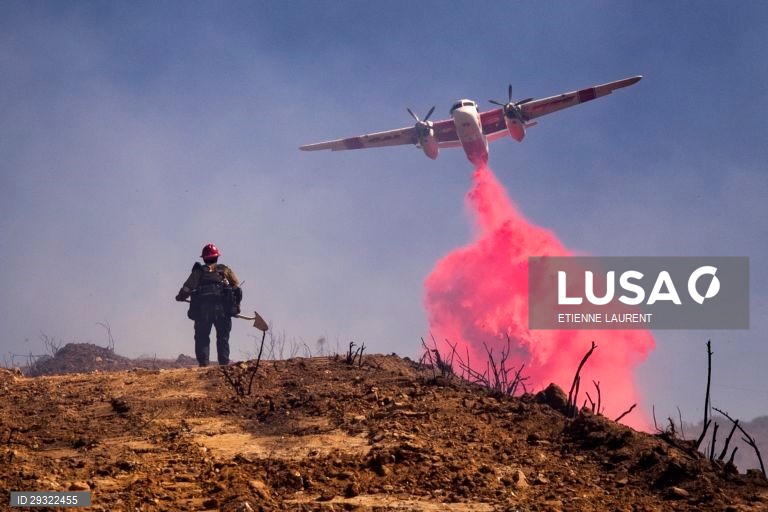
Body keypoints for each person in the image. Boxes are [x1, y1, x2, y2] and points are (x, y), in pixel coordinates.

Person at [175, 243, 242, 367]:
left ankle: (203, 365)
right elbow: (237, 288)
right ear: (217, 257)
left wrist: (180, 297)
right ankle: (224, 365)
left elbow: (187, 288)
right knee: (223, 338)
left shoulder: (198, 271)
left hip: (203, 312)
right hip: (222, 312)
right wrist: (235, 306)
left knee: (202, 338)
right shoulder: (225, 270)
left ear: (204, 258)